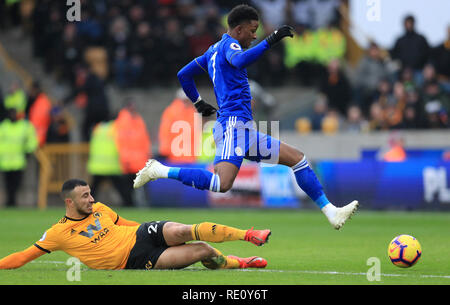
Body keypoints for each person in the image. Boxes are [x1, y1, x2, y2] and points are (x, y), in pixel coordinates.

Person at [134, 4, 358, 230]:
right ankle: (159, 170)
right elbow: (239, 61)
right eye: (252, 30)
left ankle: (331, 212)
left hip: (244, 129)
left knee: (298, 159)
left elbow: (184, 75)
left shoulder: (212, 50)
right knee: (222, 184)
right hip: (233, 126)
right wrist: (271, 39)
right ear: (239, 29)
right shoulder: (230, 45)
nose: (254, 35)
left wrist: (199, 103)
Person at [0, 179, 269, 270]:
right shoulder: (58, 233)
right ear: (69, 203)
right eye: (85, 196)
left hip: (143, 233)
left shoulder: (100, 208)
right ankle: (240, 262)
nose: (92, 199)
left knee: (182, 230)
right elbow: (24, 256)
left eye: (91, 193)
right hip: (136, 259)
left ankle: (249, 234)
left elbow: (127, 223)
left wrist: (156, 231)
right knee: (203, 251)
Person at [0, 109, 38, 207]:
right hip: (5, 162)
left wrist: (28, 151)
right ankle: (10, 201)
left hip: (18, 161)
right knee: (8, 184)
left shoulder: (24, 126)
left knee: (17, 184)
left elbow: (32, 140)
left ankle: (13, 201)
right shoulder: (3, 126)